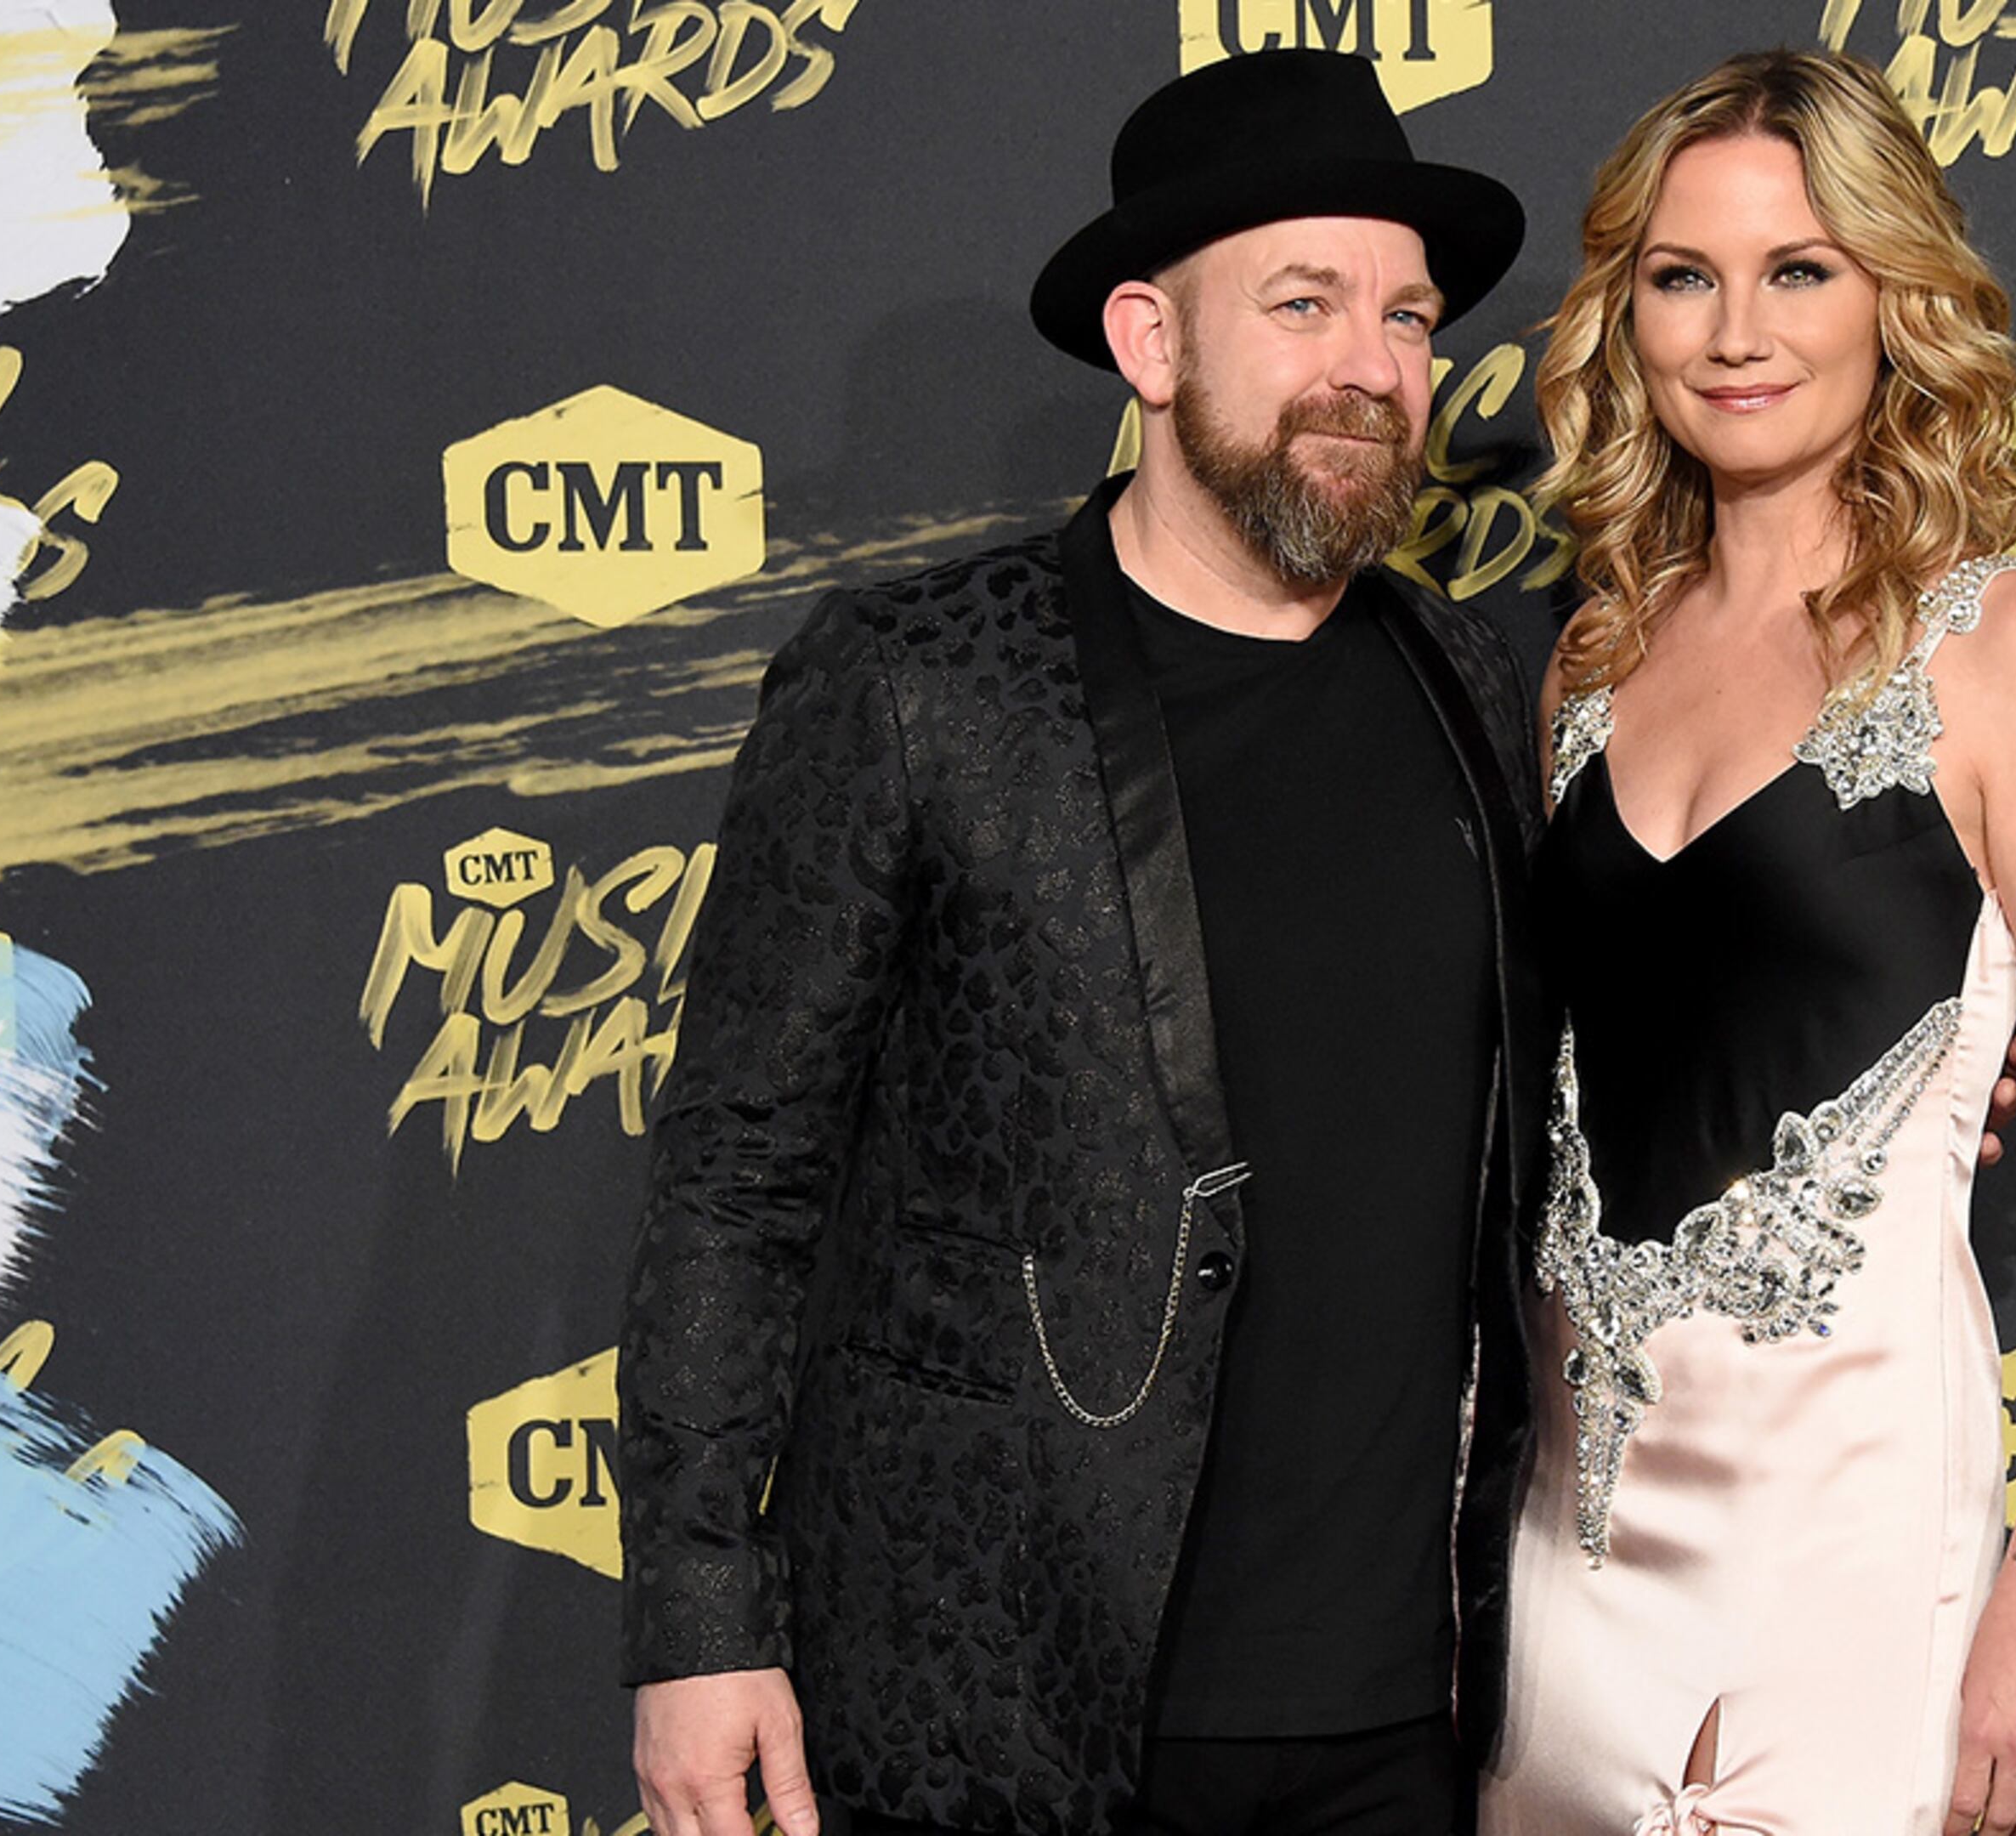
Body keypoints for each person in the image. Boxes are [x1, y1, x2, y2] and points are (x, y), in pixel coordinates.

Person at [612, 49, 1550, 1836]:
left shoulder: (1469, 680)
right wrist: (697, 1621)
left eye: (1409, 317)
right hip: (1008, 1708)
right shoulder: (917, 683)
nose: (1373, 367)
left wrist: (1939, 1054)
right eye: (1303, 304)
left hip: (1403, 1721)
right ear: (1149, 340)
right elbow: (738, 1176)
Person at [1481, 49, 2016, 1836]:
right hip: (1570, 1546)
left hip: (1855, 1546)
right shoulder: (1591, 663)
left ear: (1893, 297)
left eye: (1798, 270)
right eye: (1683, 277)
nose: (1738, 332)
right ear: (1627, 315)